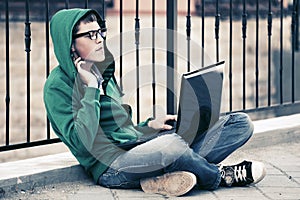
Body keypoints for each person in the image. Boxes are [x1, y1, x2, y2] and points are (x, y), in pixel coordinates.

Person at [44, 8, 266, 197]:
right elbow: (82, 141)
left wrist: (149, 126)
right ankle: (219, 176)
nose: (100, 39)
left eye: (100, 31)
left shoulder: (103, 72)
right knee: (171, 146)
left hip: (139, 148)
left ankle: (169, 173)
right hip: (111, 166)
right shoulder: (57, 87)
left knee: (239, 123)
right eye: (90, 35)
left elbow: (120, 129)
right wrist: (91, 87)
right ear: (70, 44)